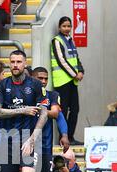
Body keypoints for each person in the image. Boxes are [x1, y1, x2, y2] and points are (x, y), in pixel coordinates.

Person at [31, 66, 70, 172]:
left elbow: (59, 115)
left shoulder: (52, 96)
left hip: (45, 147)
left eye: (46, 78)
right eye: (40, 78)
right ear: (32, 78)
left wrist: (64, 134)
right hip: (24, 145)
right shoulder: (24, 94)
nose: (44, 81)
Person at [51, 16, 85, 145]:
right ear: (59, 27)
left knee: (75, 109)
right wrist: (74, 74)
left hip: (72, 81)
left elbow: (76, 58)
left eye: (69, 26)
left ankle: (70, 136)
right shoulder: (57, 41)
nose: (66, 28)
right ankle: (63, 137)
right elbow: (61, 60)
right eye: (64, 26)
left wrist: (81, 71)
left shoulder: (71, 40)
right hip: (62, 81)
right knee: (63, 110)